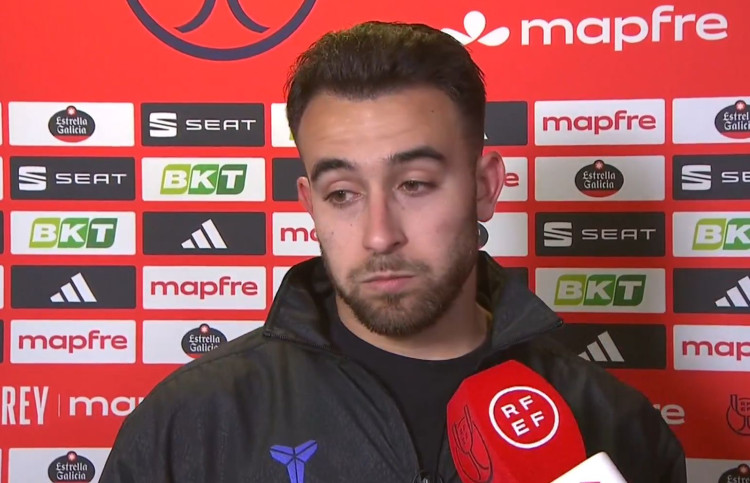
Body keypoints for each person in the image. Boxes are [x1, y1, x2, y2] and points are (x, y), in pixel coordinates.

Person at [100, 21, 686, 483]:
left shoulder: (614, 425)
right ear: (310, 204)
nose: (380, 235)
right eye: (342, 194)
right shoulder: (191, 422)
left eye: (414, 184)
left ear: (485, 187)